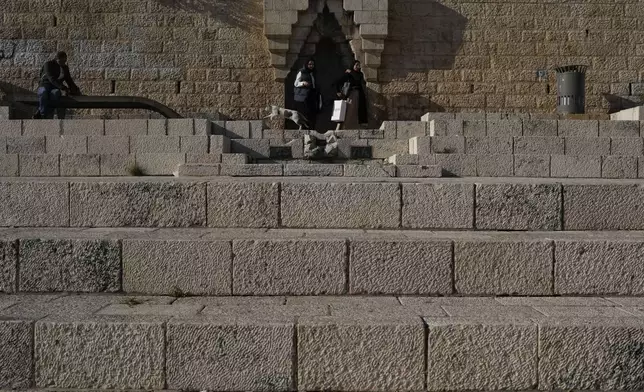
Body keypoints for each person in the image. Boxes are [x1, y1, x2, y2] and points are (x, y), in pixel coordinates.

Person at [34, 51, 80, 119]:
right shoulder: (48, 64)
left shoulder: (65, 68)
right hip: (45, 85)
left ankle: (44, 112)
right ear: (57, 59)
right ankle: (42, 113)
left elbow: (69, 80)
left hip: (55, 87)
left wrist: (75, 90)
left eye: (64, 61)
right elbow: (51, 78)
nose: (63, 63)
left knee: (55, 94)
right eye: (61, 61)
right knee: (43, 93)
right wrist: (63, 87)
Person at [336, 60, 368, 129]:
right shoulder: (348, 75)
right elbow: (338, 82)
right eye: (356, 65)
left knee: (356, 112)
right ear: (353, 65)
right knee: (349, 111)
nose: (357, 67)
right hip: (350, 95)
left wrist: (351, 72)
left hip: (358, 95)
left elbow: (357, 79)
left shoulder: (359, 74)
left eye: (358, 65)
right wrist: (338, 91)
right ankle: (345, 127)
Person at [293, 58, 320, 129]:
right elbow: (296, 83)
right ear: (306, 64)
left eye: (312, 64)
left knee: (313, 113)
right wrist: (303, 83)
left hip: (313, 94)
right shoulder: (302, 72)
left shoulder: (314, 72)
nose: (311, 66)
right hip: (304, 96)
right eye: (309, 64)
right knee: (305, 113)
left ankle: (312, 128)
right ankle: (305, 129)